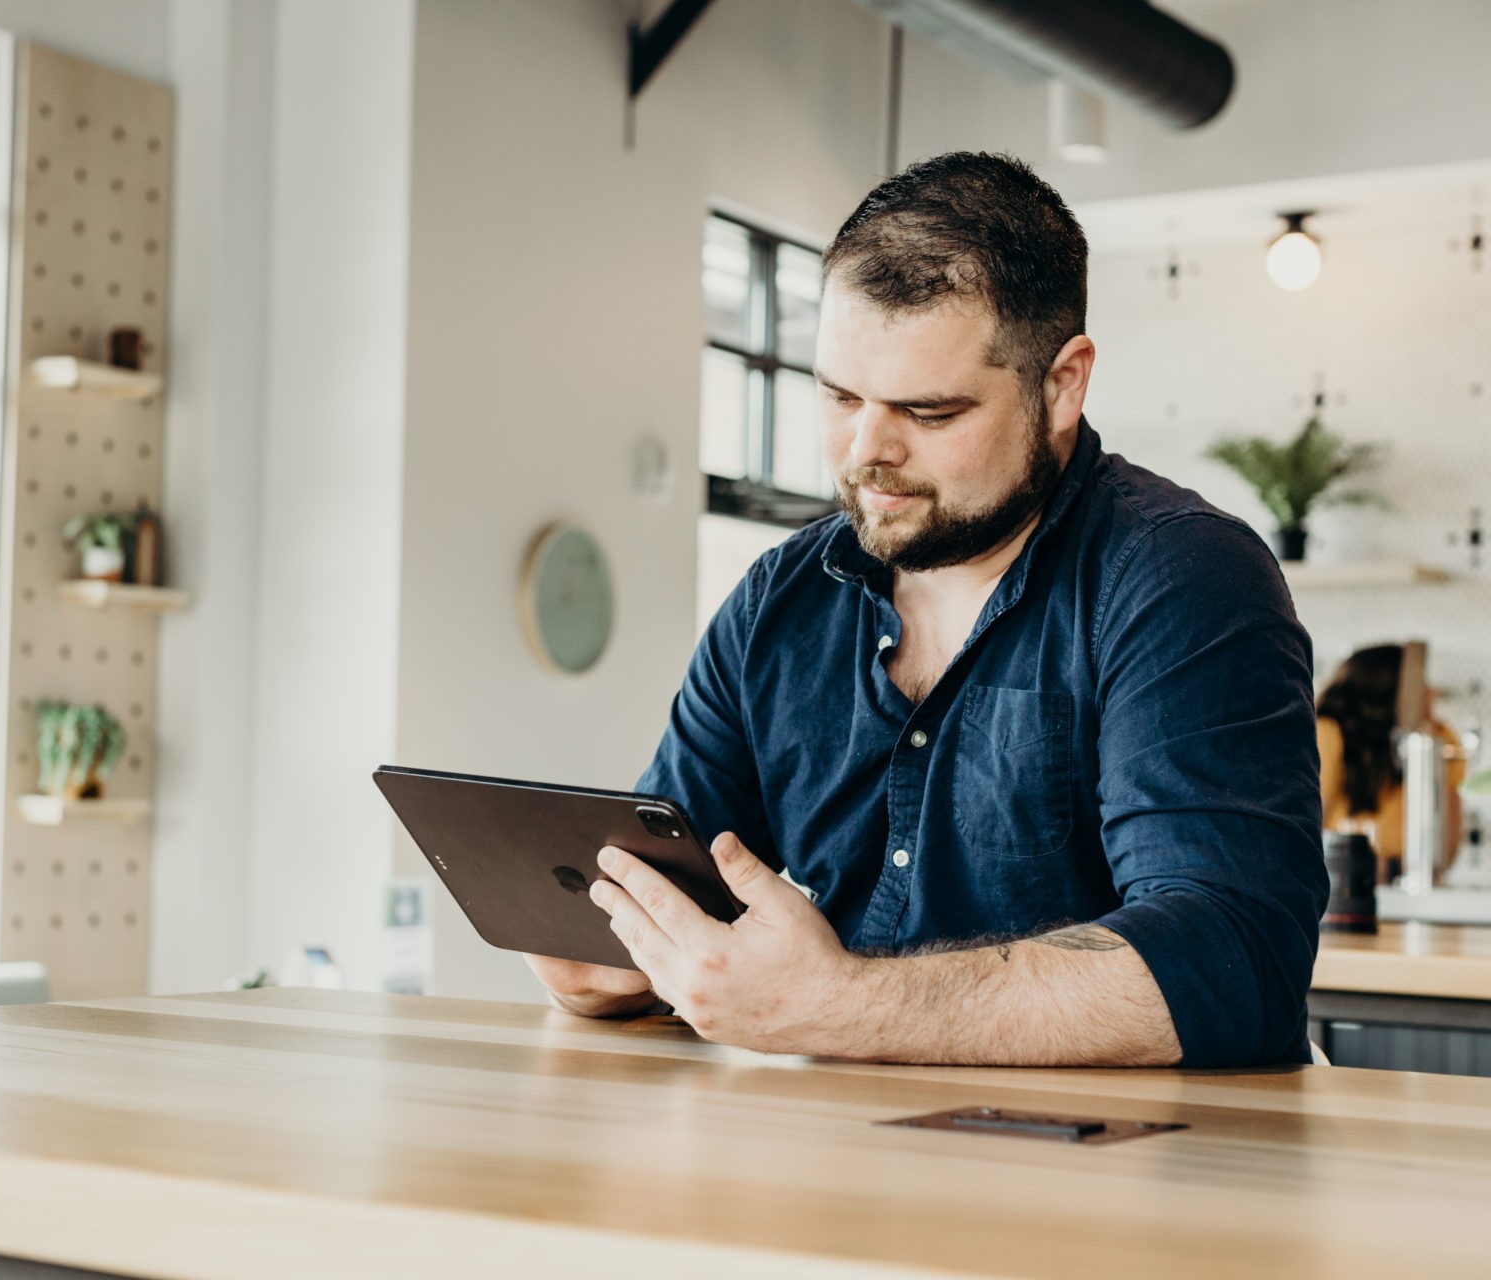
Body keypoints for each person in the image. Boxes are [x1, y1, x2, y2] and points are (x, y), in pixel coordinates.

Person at [525, 152, 1327, 1069]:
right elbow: (662, 884)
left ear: (1062, 385)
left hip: (1126, 1177)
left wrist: (843, 1006)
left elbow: (1232, 961)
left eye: (930, 411)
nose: (867, 451)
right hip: (841, 1161)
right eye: (837, 394)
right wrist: (616, 955)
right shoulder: (779, 602)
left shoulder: (1181, 577)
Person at [1316, 644, 1464, 881]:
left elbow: (1446, 852)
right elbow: (1310, 829)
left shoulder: (1439, 739)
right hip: (1340, 883)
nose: (1431, 692)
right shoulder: (1328, 733)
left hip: (1407, 882)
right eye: (1419, 685)